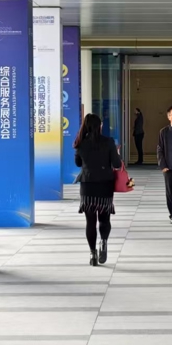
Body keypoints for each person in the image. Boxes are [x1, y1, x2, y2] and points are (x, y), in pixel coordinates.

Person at [74, 114, 122, 266]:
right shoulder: (108, 142)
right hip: (104, 184)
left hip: (87, 185)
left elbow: (78, 163)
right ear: (99, 126)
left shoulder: (80, 143)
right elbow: (116, 164)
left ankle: (92, 253)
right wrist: (116, 154)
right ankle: (104, 243)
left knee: (90, 221)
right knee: (104, 218)